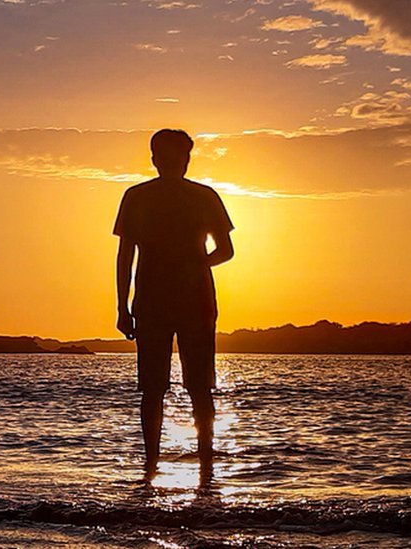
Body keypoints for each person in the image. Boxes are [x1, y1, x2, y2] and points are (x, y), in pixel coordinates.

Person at [113, 129, 234, 473]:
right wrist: (122, 307)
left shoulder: (201, 196)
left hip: (190, 302)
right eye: (167, 156)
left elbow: (226, 250)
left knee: (192, 387)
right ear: (154, 160)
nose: (172, 163)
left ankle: (200, 466)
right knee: (161, 389)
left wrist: (194, 265)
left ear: (187, 159)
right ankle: (156, 465)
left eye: (178, 156)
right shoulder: (137, 197)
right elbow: (125, 257)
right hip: (156, 303)